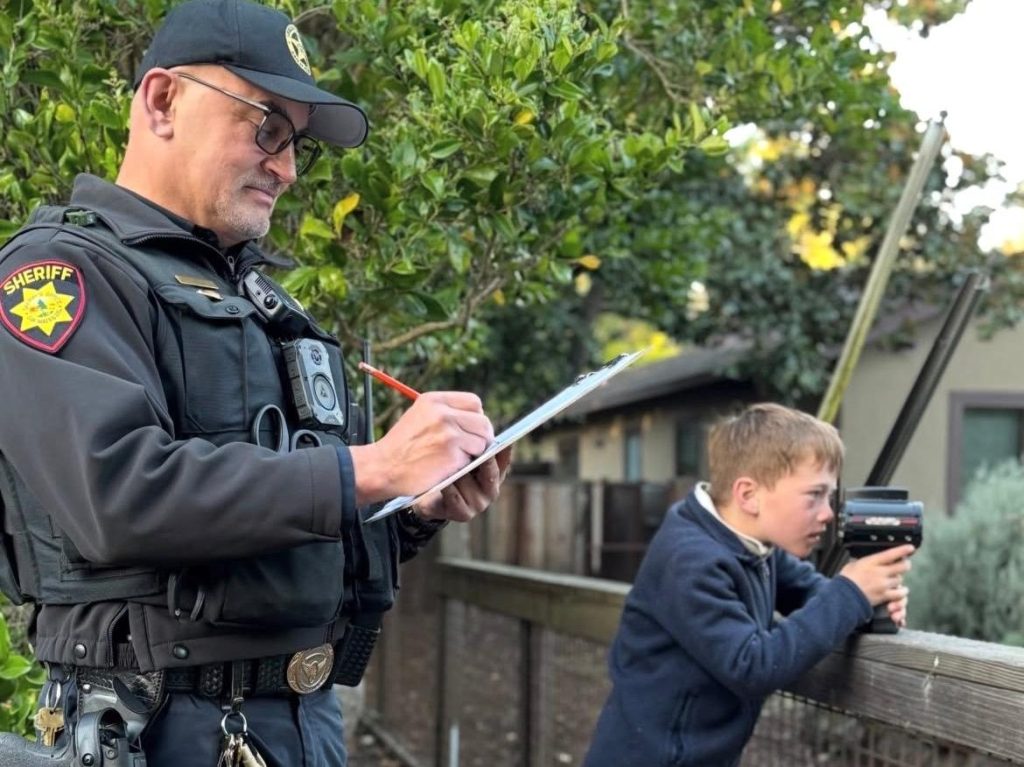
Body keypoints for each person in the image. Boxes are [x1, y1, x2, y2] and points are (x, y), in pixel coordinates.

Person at [0, 1, 511, 765]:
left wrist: (408, 507)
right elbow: (121, 495)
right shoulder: (58, 275)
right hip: (155, 726)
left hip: (300, 722)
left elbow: (288, 530)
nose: (288, 166)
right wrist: (370, 468)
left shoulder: (267, 307)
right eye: (266, 126)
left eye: (296, 141)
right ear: (163, 100)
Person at [582, 403, 913, 767]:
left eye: (830, 496)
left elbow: (811, 592)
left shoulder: (752, 547)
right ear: (748, 495)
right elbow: (753, 666)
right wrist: (851, 591)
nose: (828, 513)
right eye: (814, 495)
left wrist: (869, 603)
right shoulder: (691, 561)